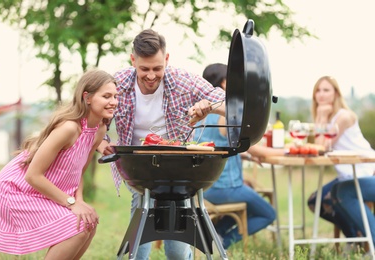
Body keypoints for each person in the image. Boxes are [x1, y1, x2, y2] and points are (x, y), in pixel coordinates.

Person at [97, 29, 225, 260]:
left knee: (176, 249)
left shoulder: (181, 79)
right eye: (144, 69)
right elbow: (97, 119)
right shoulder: (119, 83)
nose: (151, 75)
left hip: (176, 168)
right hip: (139, 168)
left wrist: (208, 104)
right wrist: (102, 143)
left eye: (157, 68)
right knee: (141, 225)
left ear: (166, 59)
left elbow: (227, 102)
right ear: (133, 60)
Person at [0, 69, 118, 259]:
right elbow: (32, 175)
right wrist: (71, 203)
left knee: (87, 223)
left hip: (39, 189)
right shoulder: (69, 128)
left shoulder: (99, 130)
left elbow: (79, 171)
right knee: (77, 226)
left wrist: (79, 200)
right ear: (87, 97)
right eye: (106, 96)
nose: (113, 102)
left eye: (115, 96)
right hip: (15, 190)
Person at [195, 63, 285, 249]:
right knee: (268, 214)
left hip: (205, 186)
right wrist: (288, 151)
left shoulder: (200, 111)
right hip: (226, 187)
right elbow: (252, 147)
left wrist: (246, 157)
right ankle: (221, 243)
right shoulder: (225, 112)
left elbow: (218, 147)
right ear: (224, 83)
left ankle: (214, 234)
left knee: (244, 206)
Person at [306, 75, 375, 251]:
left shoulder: (344, 117)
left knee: (342, 192)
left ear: (336, 94)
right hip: (349, 176)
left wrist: (320, 118)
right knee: (316, 201)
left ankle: (370, 242)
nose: (321, 95)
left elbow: (320, 147)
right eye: (318, 91)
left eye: (326, 90)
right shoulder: (329, 119)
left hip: (369, 173)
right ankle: (356, 239)